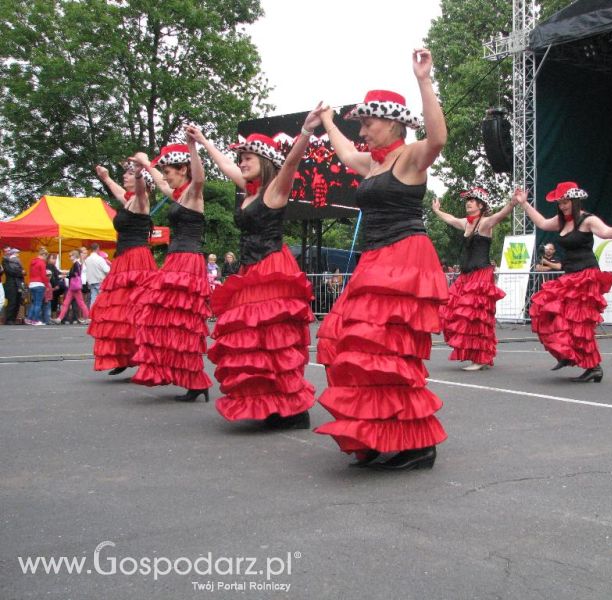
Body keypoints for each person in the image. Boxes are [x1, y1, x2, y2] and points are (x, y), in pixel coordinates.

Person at [315, 49, 449, 470]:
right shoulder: (370, 165)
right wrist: (329, 123)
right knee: (342, 342)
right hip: (374, 260)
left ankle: (417, 442)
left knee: (389, 353)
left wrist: (423, 81)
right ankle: (373, 429)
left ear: (391, 122)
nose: (364, 129)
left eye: (368, 122)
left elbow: (439, 138)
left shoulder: (410, 158)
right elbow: (342, 152)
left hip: (405, 257)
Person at [187, 107, 321, 429]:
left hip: (272, 268)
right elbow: (222, 163)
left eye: (248, 157)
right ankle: (272, 402)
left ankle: (292, 408)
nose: (242, 162)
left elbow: (290, 164)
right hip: (250, 271)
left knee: (273, 339)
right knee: (253, 340)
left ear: (263, 161)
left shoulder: (275, 190)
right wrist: (202, 141)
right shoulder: (247, 191)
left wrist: (304, 133)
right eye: (241, 157)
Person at [514, 183, 612, 382]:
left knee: (578, 322)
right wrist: (524, 204)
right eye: (560, 203)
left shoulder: (587, 220)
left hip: (586, 276)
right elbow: (541, 223)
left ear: (575, 201)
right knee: (545, 309)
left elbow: (607, 232)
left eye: (566, 202)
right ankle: (566, 354)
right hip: (570, 276)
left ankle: (593, 367)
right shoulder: (561, 221)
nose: (562, 206)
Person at [129, 137, 213, 402]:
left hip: (188, 261)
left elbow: (199, 177)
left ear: (183, 170)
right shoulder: (178, 195)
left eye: (169, 171)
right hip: (176, 260)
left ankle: (196, 381)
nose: (165, 177)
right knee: (164, 321)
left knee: (184, 325)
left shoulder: (193, 192)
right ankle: (189, 379)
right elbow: (161, 182)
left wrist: (192, 148)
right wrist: (145, 163)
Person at [432, 186, 513, 371]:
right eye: (467, 201)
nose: (468, 203)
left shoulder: (484, 223)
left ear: (481, 205)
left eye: (472, 201)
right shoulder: (466, 223)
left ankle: (480, 358)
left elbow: (500, 215)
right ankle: (478, 355)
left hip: (480, 275)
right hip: (466, 276)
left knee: (475, 316)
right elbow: (451, 219)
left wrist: (513, 202)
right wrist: (437, 211)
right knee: (451, 308)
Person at [88, 161, 158, 375]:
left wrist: (138, 173)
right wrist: (105, 177)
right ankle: (125, 356)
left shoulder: (141, 200)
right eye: (125, 174)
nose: (124, 177)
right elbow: (119, 191)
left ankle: (144, 356)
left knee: (138, 310)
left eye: (129, 174)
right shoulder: (129, 201)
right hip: (123, 259)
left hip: (137, 260)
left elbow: (139, 189)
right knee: (120, 311)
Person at [53, 250, 91, 324]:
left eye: (70, 256)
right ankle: (59, 318)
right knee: (68, 303)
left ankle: (88, 318)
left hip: (74, 287)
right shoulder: (78, 263)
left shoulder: (76, 264)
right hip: (74, 287)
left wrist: (66, 275)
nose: (69, 257)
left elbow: (75, 274)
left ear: (74, 256)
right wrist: (67, 275)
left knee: (77, 303)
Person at [25, 247, 49, 326]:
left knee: (34, 303)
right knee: (38, 303)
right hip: (39, 284)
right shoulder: (42, 263)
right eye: (46, 257)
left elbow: (30, 274)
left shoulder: (32, 262)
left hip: (32, 284)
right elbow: (43, 276)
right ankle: (35, 320)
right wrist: (47, 285)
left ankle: (29, 319)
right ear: (44, 255)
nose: (46, 259)